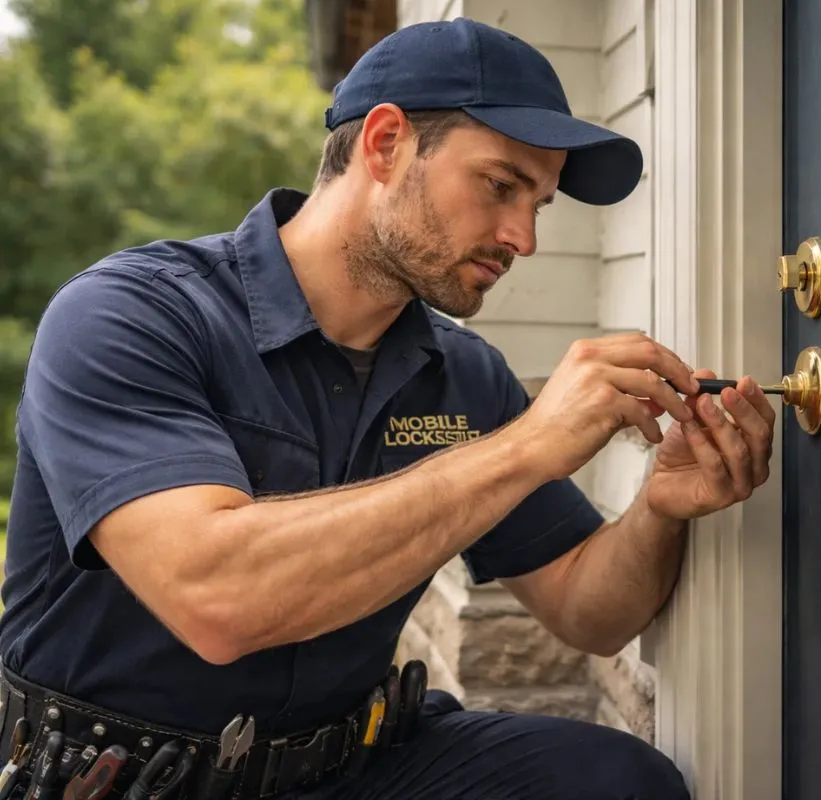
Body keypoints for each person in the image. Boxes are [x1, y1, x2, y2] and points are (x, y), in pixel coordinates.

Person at [0, 17, 776, 800]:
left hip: (353, 761)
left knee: (617, 780)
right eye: (502, 185)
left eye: (539, 204)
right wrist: (526, 446)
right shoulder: (130, 315)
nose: (524, 237)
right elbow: (217, 598)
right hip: (121, 781)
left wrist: (660, 508)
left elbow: (588, 609)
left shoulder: (464, 374)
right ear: (384, 144)